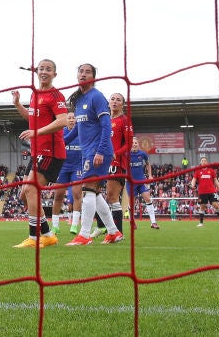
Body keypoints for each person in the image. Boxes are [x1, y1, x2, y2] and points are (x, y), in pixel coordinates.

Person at [10, 59, 68, 248]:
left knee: (31, 190)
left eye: (48, 69)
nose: (44, 71)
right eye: (42, 68)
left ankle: (34, 238)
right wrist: (18, 105)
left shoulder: (55, 95)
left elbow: (63, 120)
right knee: (24, 194)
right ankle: (48, 235)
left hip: (51, 152)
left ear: (54, 74)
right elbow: (32, 119)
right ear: (36, 71)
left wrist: (37, 133)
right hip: (38, 152)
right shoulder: (35, 95)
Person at [65, 63, 123, 246]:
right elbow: (78, 130)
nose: (83, 74)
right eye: (80, 71)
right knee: (95, 193)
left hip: (98, 152)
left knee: (87, 190)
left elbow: (106, 127)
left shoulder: (96, 97)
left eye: (87, 72)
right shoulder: (80, 99)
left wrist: (100, 151)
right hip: (88, 152)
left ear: (94, 77)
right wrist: (61, 143)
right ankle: (113, 232)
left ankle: (84, 235)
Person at [97, 92, 134, 235]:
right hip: (101, 162)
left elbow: (129, 143)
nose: (115, 102)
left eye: (118, 100)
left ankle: (117, 232)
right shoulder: (104, 120)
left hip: (116, 163)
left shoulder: (124, 120)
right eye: (112, 99)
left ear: (122, 104)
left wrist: (115, 153)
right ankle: (103, 227)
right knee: (96, 193)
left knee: (112, 196)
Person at [56, 111, 83, 235]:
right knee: (58, 195)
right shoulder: (61, 132)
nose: (72, 120)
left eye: (73, 118)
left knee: (77, 194)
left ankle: (74, 225)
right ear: (65, 120)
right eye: (69, 118)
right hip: (63, 167)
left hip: (77, 167)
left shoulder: (81, 133)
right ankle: (55, 226)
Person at [127, 136, 159, 229]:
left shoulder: (143, 153)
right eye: (132, 143)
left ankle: (153, 222)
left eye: (136, 143)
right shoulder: (126, 154)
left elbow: (148, 164)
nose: (134, 144)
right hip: (130, 182)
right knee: (132, 204)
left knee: (148, 199)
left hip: (141, 181)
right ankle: (132, 221)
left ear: (138, 144)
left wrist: (150, 175)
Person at [190, 156, 219, 227]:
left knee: (216, 205)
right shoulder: (197, 171)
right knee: (202, 206)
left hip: (212, 191)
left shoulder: (211, 170)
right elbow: (194, 179)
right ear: (200, 162)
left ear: (207, 162)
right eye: (202, 160)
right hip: (202, 192)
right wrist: (192, 185)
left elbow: (215, 180)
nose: (204, 162)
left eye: (205, 160)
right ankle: (201, 223)